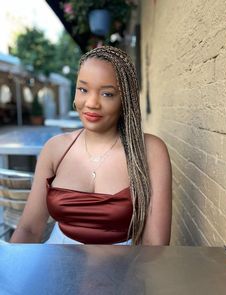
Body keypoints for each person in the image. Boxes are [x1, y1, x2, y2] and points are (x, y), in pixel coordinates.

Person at [10, 46, 172, 245]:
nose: (92, 103)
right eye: (83, 89)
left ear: (125, 101)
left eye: (107, 94)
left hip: (126, 270)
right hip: (57, 266)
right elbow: (29, 229)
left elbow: (155, 247)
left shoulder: (150, 151)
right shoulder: (55, 149)